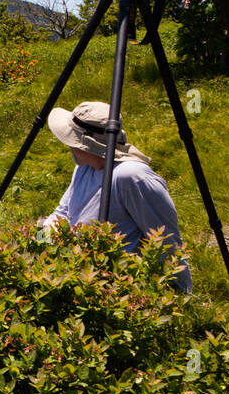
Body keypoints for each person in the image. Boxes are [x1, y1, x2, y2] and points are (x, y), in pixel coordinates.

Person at [39, 100, 191, 292]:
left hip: (120, 287)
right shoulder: (83, 167)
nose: (67, 145)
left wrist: (179, 294)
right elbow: (63, 212)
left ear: (87, 146)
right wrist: (39, 239)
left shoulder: (131, 177)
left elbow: (167, 241)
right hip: (81, 274)